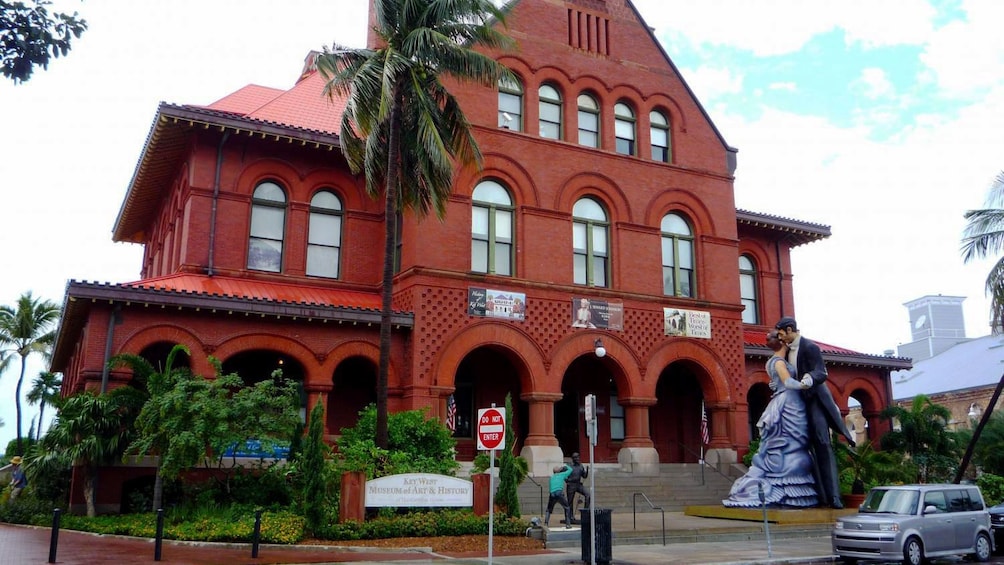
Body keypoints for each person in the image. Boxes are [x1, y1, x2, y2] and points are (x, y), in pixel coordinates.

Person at [723, 330, 819, 508]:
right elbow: (788, 382)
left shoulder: (773, 361)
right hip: (789, 400)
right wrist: (805, 384)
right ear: (782, 342)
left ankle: (781, 476)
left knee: (790, 439)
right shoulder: (779, 363)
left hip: (783, 400)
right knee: (790, 437)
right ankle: (782, 481)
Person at [775, 316, 855, 509]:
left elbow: (822, 372)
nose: (779, 338)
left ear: (789, 329)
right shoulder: (784, 352)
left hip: (814, 400)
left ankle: (834, 497)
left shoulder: (810, 347)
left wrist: (810, 378)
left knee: (822, 443)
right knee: (804, 447)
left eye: (781, 333)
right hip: (796, 403)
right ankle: (818, 495)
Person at [545, 464, 573, 528]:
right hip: (559, 492)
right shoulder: (561, 475)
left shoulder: (551, 477)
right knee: (567, 507)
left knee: (549, 509)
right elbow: (570, 470)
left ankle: (546, 523)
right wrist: (565, 465)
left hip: (552, 493)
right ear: (559, 471)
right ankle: (568, 524)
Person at [565, 452, 590, 523]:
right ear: (572, 459)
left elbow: (584, 476)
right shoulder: (568, 466)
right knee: (570, 502)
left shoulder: (580, 466)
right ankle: (570, 517)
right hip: (571, 485)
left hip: (578, 484)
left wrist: (587, 471)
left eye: (578, 457)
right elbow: (562, 474)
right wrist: (567, 480)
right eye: (575, 457)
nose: (577, 459)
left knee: (588, 495)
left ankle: (585, 514)